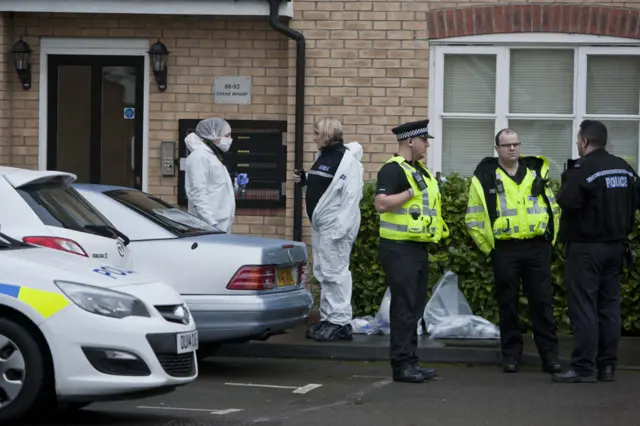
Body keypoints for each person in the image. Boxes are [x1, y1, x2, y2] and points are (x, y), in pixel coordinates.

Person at [465, 129, 562, 374]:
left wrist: (549, 241)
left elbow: (553, 209)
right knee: (507, 304)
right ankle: (510, 356)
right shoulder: (485, 179)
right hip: (504, 249)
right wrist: (491, 249)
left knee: (542, 303)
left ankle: (550, 357)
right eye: (506, 145)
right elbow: (473, 218)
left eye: (516, 144)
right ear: (497, 148)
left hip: (536, 247)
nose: (512, 149)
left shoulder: (535, 173)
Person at [552, 120, 640, 384]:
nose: (578, 143)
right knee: (609, 307)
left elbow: (567, 201)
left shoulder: (583, 168)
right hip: (616, 248)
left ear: (585, 141)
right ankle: (607, 366)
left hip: (586, 249)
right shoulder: (625, 168)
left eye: (579, 139)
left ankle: (583, 367)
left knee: (584, 307)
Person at [373, 119, 449, 383]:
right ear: (410, 141)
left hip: (417, 247)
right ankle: (401, 365)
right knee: (404, 307)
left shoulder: (421, 171)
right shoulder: (393, 170)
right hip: (398, 248)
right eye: (424, 140)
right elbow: (381, 204)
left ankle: (412, 361)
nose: (427, 144)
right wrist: (408, 192)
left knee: (414, 307)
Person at [293, 117, 364, 342]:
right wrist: (305, 179)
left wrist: (341, 229)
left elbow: (351, 197)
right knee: (324, 272)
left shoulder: (347, 161)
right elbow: (326, 188)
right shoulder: (323, 157)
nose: (313, 138)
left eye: (316, 133)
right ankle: (328, 317)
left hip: (336, 227)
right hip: (323, 225)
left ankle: (341, 322)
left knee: (336, 273)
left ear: (326, 134)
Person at [184, 117, 236, 233]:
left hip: (219, 226)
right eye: (227, 135)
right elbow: (198, 193)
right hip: (208, 227)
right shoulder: (199, 156)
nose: (230, 139)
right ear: (213, 135)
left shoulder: (213, 156)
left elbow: (217, 188)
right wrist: (211, 223)